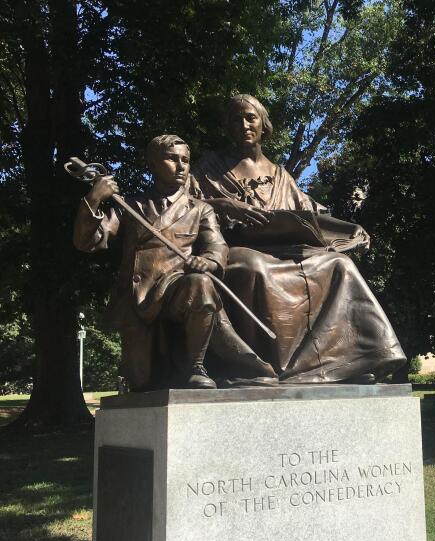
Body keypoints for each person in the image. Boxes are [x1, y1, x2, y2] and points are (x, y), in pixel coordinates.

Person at [192, 95, 406, 384]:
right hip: (238, 248)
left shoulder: (280, 175)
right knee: (253, 267)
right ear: (227, 127)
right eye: (236, 119)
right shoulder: (210, 167)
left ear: (263, 124)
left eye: (250, 117)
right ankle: (262, 368)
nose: (244, 124)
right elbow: (186, 205)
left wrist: (350, 229)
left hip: (289, 248)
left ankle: (354, 361)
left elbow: (311, 213)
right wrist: (223, 205)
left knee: (340, 264)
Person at [73, 134, 277, 391]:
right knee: (142, 383)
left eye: (186, 160)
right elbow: (86, 242)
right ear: (153, 164)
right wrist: (93, 199)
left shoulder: (200, 209)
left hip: (178, 287)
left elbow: (217, 246)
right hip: (139, 294)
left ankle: (196, 367)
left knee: (200, 283)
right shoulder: (131, 205)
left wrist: (208, 261)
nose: (181, 166)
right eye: (171, 159)